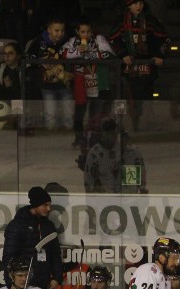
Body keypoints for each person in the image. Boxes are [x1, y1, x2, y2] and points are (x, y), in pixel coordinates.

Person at [108, 0, 170, 131]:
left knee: (147, 96)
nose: (138, 6)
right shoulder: (121, 21)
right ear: (128, 5)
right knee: (127, 95)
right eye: (135, 3)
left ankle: (145, 124)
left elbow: (164, 39)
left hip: (148, 65)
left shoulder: (151, 21)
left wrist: (160, 54)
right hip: (128, 66)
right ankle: (125, 124)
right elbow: (113, 39)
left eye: (141, 3)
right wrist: (123, 54)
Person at [62, 19, 116, 147]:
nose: (85, 34)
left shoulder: (98, 39)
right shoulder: (72, 42)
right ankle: (79, 138)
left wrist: (89, 56)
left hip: (97, 82)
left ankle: (95, 138)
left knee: (96, 113)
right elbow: (63, 54)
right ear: (77, 32)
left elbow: (109, 54)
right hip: (81, 82)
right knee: (79, 113)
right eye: (82, 32)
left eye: (88, 31)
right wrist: (78, 52)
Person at [2, 185, 62, 289]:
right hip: (22, 285)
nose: (49, 208)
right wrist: (11, 284)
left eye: (49, 205)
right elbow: (9, 257)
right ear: (35, 205)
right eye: (45, 205)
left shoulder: (49, 226)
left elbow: (55, 254)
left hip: (44, 285)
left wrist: (56, 278)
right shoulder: (17, 225)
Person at [28, 17, 73, 130]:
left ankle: (69, 138)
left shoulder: (68, 41)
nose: (60, 34)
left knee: (69, 114)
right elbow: (28, 58)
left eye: (62, 31)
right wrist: (40, 62)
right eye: (56, 31)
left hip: (64, 84)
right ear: (49, 30)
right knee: (50, 114)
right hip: (47, 84)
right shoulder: (39, 42)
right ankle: (51, 139)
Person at [83, 117, 147, 194]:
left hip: (126, 199)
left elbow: (131, 184)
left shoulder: (131, 153)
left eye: (114, 133)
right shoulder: (95, 153)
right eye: (108, 133)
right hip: (104, 198)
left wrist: (142, 191)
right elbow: (89, 178)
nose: (111, 136)